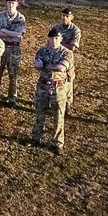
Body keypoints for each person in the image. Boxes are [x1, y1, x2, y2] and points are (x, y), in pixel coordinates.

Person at [32, 27, 74, 155]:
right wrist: (49, 67)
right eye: (51, 38)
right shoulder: (42, 51)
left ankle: (58, 143)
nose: (54, 41)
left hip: (59, 87)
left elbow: (61, 68)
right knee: (40, 112)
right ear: (48, 39)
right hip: (43, 86)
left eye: (56, 38)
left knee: (58, 115)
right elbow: (36, 64)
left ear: (61, 39)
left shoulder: (67, 53)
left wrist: (45, 66)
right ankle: (36, 138)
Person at [0, 0, 27, 106]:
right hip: (2, 47)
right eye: (9, 3)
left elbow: (19, 35)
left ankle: (12, 97)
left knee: (13, 74)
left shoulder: (20, 18)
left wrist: (3, 30)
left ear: (17, 4)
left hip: (14, 49)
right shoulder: (1, 16)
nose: (10, 5)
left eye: (13, 3)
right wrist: (10, 33)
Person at [50, 7, 81, 109]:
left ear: (72, 17)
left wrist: (58, 43)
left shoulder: (75, 30)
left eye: (67, 16)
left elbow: (72, 47)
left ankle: (67, 104)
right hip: (55, 56)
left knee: (68, 80)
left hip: (67, 59)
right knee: (54, 78)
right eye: (63, 15)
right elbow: (49, 42)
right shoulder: (55, 28)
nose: (64, 18)